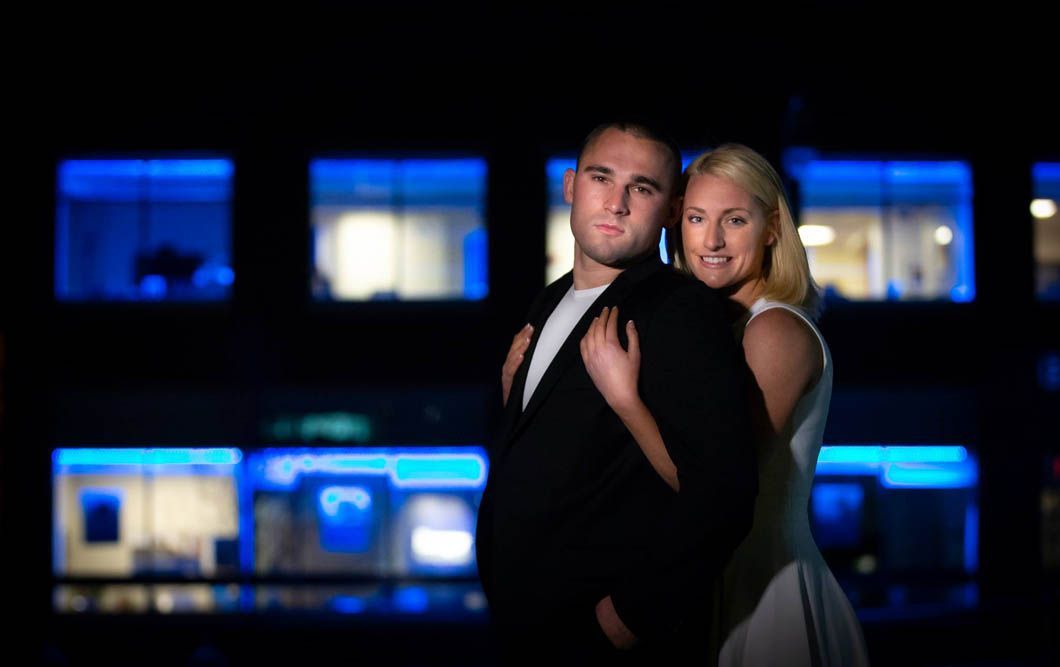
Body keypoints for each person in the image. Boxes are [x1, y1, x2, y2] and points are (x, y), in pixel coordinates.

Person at [577, 143, 870, 665]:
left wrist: (625, 399)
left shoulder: (775, 329)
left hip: (764, 588)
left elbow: (716, 487)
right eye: (696, 218)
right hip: (703, 582)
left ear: (772, 228)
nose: (711, 240)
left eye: (734, 220)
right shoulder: (712, 329)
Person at [476, 123, 757, 664]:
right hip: (521, 627)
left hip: (598, 638)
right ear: (570, 185)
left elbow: (725, 493)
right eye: (601, 178)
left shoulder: (681, 312)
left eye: (642, 188)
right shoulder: (549, 300)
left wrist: (628, 618)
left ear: (671, 211)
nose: (617, 203)